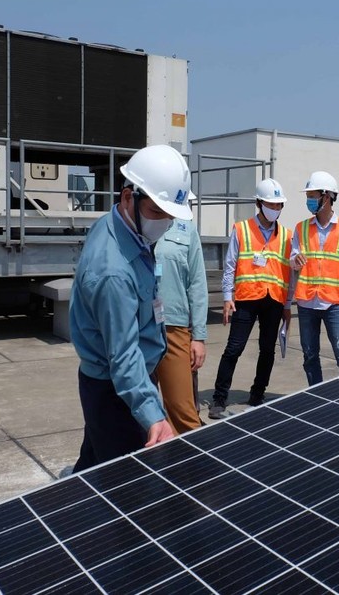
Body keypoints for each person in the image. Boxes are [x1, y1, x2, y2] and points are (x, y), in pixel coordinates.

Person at [69, 144, 191, 472]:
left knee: (93, 465)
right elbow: (123, 356)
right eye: (156, 212)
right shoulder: (113, 271)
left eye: (170, 215)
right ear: (128, 198)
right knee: (125, 485)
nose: (163, 223)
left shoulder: (122, 227)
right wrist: (153, 415)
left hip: (117, 382)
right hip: (117, 391)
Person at [209, 178, 292, 418]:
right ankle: (219, 398)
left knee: (267, 350)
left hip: (274, 300)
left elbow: (289, 273)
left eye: (279, 205)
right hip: (245, 299)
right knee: (234, 348)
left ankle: (258, 394)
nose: (275, 209)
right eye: (271, 204)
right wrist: (227, 297)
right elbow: (230, 266)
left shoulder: (287, 235)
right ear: (259, 203)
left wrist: (287, 304)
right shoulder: (242, 229)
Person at [290, 171, 339, 385]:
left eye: (312, 196)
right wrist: (295, 260)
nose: (309, 201)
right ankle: (317, 395)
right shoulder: (301, 228)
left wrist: (337, 289)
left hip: (334, 303)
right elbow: (292, 259)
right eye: (308, 197)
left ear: (326, 197)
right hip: (307, 302)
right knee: (310, 355)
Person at [154, 217, 208, 433]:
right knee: (131, 409)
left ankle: (192, 462)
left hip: (174, 327)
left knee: (182, 408)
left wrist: (198, 337)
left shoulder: (187, 232)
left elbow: (197, 284)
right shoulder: (131, 225)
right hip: (137, 326)